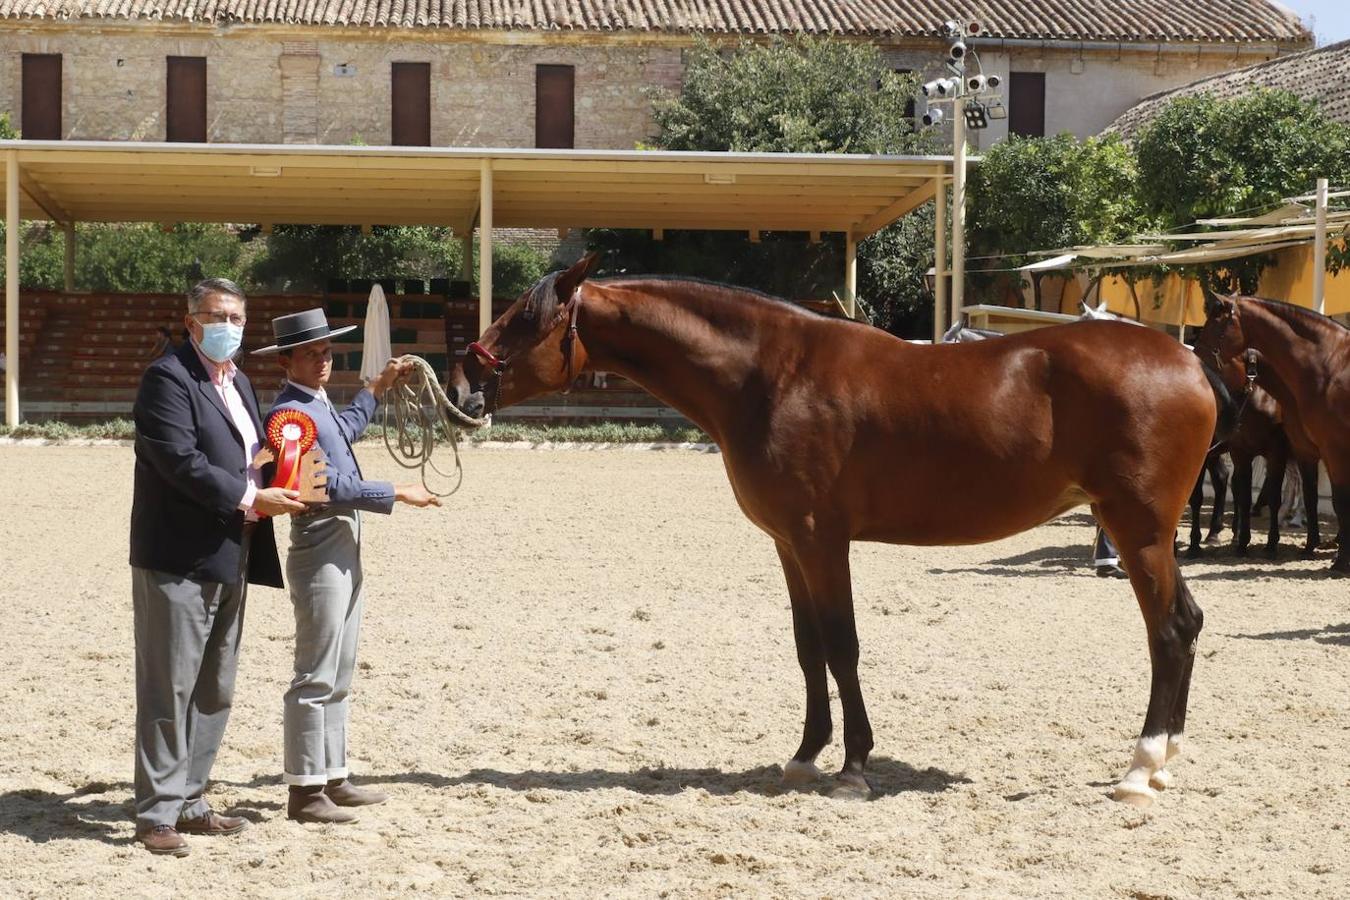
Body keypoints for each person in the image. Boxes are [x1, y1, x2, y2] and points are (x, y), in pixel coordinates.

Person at [130, 278, 307, 857]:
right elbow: (179, 460)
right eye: (217, 314)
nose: (229, 324)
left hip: (233, 551)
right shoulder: (167, 378)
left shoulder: (242, 382)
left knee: (214, 687)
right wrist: (253, 498)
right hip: (178, 555)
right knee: (169, 686)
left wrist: (281, 471)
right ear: (191, 322)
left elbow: (245, 453)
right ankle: (157, 812)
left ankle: (191, 799)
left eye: (236, 316)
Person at [254, 308, 440, 825]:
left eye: (326, 351)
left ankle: (330, 775)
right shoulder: (287, 416)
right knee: (316, 670)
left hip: (341, 539)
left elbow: (348, 430)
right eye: (311, 353)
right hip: (320, 540)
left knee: (338, 666)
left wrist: (376, 390)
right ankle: (305, 790)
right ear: (287, 359)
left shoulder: (312, 406)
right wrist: (395, 490)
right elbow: (322, 485)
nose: (322, 360)